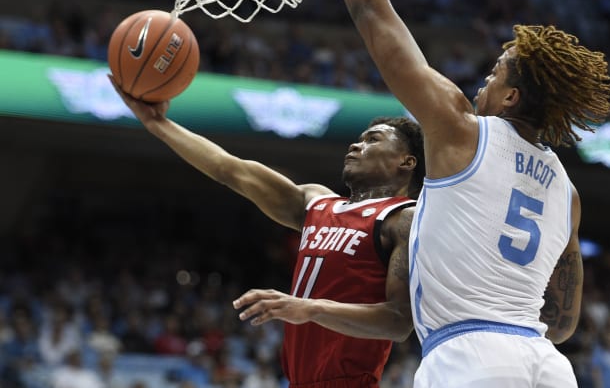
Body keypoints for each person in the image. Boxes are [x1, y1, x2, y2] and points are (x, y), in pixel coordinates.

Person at [323, 0, 610, 387]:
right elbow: (561, 323)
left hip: (469, 356)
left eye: (495, 74)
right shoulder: (566, 191)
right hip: (547, 365)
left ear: (512, 97)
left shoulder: (461, 131)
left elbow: (371, 13)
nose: (484, 81)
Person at [109, 75, 425, 387]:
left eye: (373, 140)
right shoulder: (316, 202)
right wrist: (157, 125)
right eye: (359, 138)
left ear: (406, 161)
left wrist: (310, 308)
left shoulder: (403, 218)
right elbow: (229, 168)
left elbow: (398, 322)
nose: (357, 144)